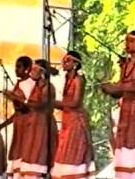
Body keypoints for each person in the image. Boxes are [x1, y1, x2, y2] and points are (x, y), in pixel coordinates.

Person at [101, 31, 135, 179]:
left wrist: (119, 88)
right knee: (124, 146)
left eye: (131, 41)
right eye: (126, 41)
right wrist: (110, 88)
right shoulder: (125, 64)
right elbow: (120, 88)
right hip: (125, 109)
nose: (127, 44)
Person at [4, 59, 58, 178]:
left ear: (42, 72)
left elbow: (39, 105)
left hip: (42, 127)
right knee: (26, 164)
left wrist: (15, 98)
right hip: (32, 126)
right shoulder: (35, 86)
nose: (30, 72)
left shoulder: (48, 87)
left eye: (34, 69)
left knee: (34, 163)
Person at [50, 51, 96, 179]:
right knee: (62, 155)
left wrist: (55, 103)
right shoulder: (66, 79)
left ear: (76, 64)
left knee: (72, 156)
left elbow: (75, 102)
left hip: (75, 122)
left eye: (68, 60)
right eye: (64, 60)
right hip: (66, 121)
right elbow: (65, 103)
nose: (64, 62)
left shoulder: (78, 79)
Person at [0, 56, 35, 179]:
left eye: (19, 67)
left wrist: (12, 97)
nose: (16, 70)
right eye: (15, 67)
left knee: (25, 157)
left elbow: (27, 107)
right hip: (19, 124)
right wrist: (1, 126)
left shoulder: (30, 83)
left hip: (28, 124)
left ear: (27, 69)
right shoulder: (19, 83)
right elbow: (17, 112)